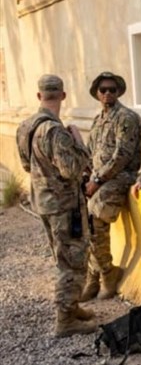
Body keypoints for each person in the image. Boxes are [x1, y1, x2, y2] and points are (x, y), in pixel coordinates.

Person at [15, 74, 96, 337]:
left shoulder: (25, 126)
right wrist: (79, 143)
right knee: (72, 262)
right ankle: (65, 320)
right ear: (62, 95)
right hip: (64, 206)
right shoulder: (55, 131)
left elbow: (27, 165)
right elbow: (73, 170)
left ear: (39, 96)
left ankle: (71, 308)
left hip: (43, 202)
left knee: (61, 256)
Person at [81, 72, 141, 302]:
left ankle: (108, 274)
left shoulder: (125, 117)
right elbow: (91, 153)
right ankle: (93, 276)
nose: (107, 93)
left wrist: (97, 181)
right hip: (98, 179)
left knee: (94, 219)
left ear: (118, 92)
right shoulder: (98, 120)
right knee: (83, 221)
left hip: (119, 179)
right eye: (103, 90)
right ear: (97, 94)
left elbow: (122, 156)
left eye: (112, 89)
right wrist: (87, 175)